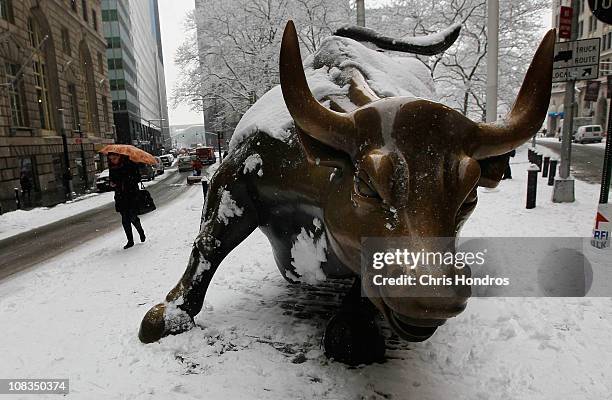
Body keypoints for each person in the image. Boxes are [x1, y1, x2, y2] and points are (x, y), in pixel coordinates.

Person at [108, 153, 146, 249]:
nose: (113, 160)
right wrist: (112, 183)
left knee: (133, 217)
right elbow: (112, 180)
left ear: (120, 157)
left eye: (114, 158)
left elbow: (137, 177)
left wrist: (126, 180)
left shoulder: (130, 164)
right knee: (125, 220)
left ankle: (141, 232)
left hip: (131, 195)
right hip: (120, 196)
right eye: (111, 159)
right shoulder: (112, 167)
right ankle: (130, 241)